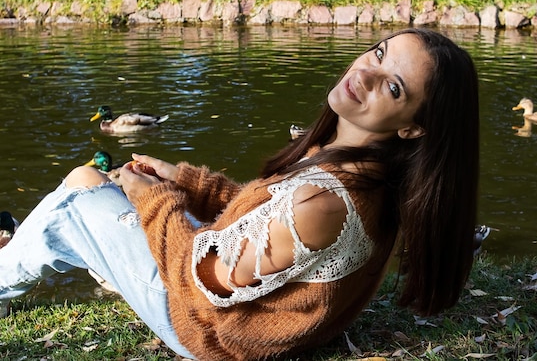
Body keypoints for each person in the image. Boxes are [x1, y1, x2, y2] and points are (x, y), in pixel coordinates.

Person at [0, 27, 479, 360]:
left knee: (84, 188)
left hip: (212, 335)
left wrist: (155, 199)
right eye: (378, 53)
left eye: (393, 87)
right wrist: (184, 182)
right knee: (103, 189)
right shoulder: (356, 165)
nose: (366, 74)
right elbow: (262, 221)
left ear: (415, 128)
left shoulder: (329, 200)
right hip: (259, 320)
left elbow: (201, 287)